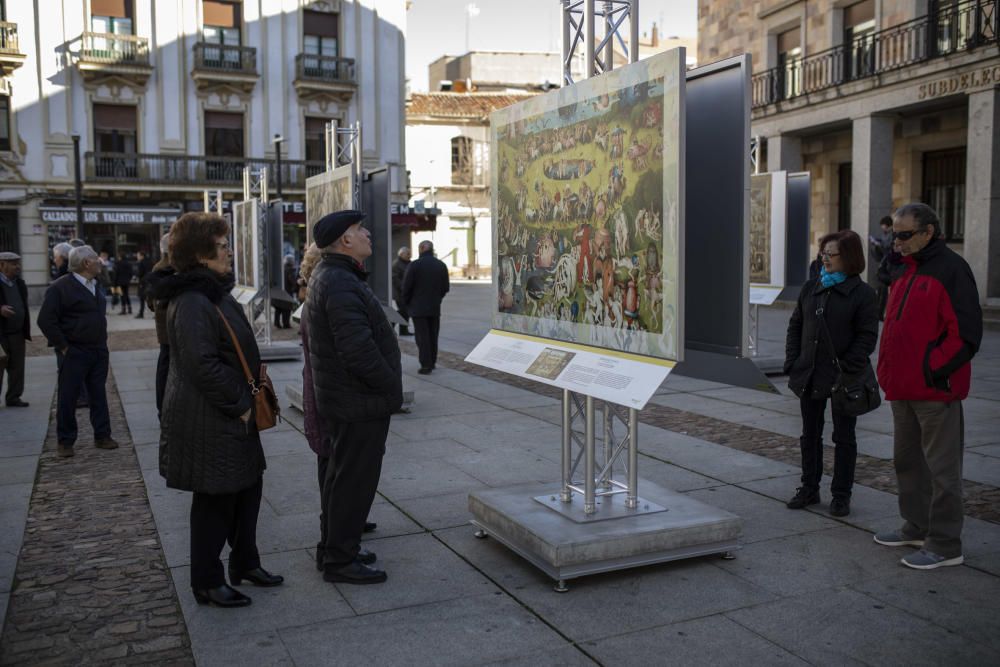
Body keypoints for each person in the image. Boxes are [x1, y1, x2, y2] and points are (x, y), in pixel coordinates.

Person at [157, 212, 282, 607]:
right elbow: (202, 364)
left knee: (247, 489)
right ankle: (206, 581)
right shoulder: (193, 300)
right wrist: (243, 405)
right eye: (223, 244)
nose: (230, 250)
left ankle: (245, 562)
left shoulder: (212, 291)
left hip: (227, 417)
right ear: (201, 251)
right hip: (212, 418)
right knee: (215, 502)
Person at [873, 203, 983, 570]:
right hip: (902, 388)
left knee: (942, 470)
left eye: (904, 235)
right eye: (894, 234)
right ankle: (916, 526)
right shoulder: (905, 270)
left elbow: (965, 335)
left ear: (928, 232)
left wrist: (932, 371)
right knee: (907, 462)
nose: (897, 242)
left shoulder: (952, 270)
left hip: (934, 391)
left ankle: (946, 543)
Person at [307, 209, 402, 585]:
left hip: (347, 399)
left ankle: (334, 548)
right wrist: (389, 386)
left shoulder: (334, 276)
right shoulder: (341, 282)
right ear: (345, 241)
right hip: (357, 401)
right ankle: (340, 560)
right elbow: (357, 350)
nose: (368, 234)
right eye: (360, 230)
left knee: (339, 478)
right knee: (352, 483)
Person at [783, 230, 878, 517]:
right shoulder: (811, 287)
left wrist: (847, 366)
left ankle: (841, 494)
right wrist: (793, 361)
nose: (824, 259)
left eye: (830, 254)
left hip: (842, 378)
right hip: (810, 374)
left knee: (844, 437)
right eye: (822, 253)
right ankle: (809, 487)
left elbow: (867, 337)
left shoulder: (863, 294)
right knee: (809, 434)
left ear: (848, 257)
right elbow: (795, 325)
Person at [297, 243, 378, 571]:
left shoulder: (322, 293)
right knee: (335, 469)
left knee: (334, 466)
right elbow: (352, 350)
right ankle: (336, 542)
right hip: (330, 395)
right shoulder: (329, 293)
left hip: (324, 391)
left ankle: (337, 535)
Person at [36, 245, 119, 458]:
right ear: (86, 263)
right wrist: (63, 346)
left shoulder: (95, 284)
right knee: (68, 396)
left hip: (98, 349)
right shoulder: (60, 287)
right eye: (95, 259)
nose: (100, 261)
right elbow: (45, 320)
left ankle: (102, 435)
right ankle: (65, 441)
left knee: (98, 393)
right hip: (75, 351)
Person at [402, 240, 450, 374]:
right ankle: (432, 361)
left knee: (422, 337)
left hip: (418, 308)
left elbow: (406, 287)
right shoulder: (441, 265)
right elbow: (445, 288)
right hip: (434, 307)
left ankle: (425, 364)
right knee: (433, 335)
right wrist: (437, 298)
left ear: (422, 248)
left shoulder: (415, 265)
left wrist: (407, 302)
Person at [145, 232, 175, 419]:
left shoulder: (158, 267)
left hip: (165, 327)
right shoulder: (168, 268)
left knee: (165, 363)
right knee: (167, 366)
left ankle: (162, 406)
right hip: (170, 326)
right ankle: (164, 407)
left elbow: (149, 301)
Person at [0, 252, 31, 407]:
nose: (17, 267)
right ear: (2, 265)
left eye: (18, 263)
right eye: (13, 263)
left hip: (17, 332)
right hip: (1, 334)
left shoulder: (19, 283)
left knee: (17, 367)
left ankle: (13, 397)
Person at [391, 246, 412, 336]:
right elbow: (395, 279)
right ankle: (391, 324)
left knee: (405, 312)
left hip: (407, 292)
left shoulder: (409, 263)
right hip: (399, 293)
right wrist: (404, 288)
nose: (409, 255)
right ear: (401, 254)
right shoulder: (396, 264)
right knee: (403, 311)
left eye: (410, 254)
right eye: (407, 254)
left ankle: (403, 330)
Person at [134, 250, 152, 319]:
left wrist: (136, 275)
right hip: (149, 281)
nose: (137, 257)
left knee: (142, 298)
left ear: (142, 256)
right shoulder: (149, 262)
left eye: (138, 255)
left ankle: (141, 313)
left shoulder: (141, 263)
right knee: (150, 297)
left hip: (142, 282)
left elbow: (140, 273)